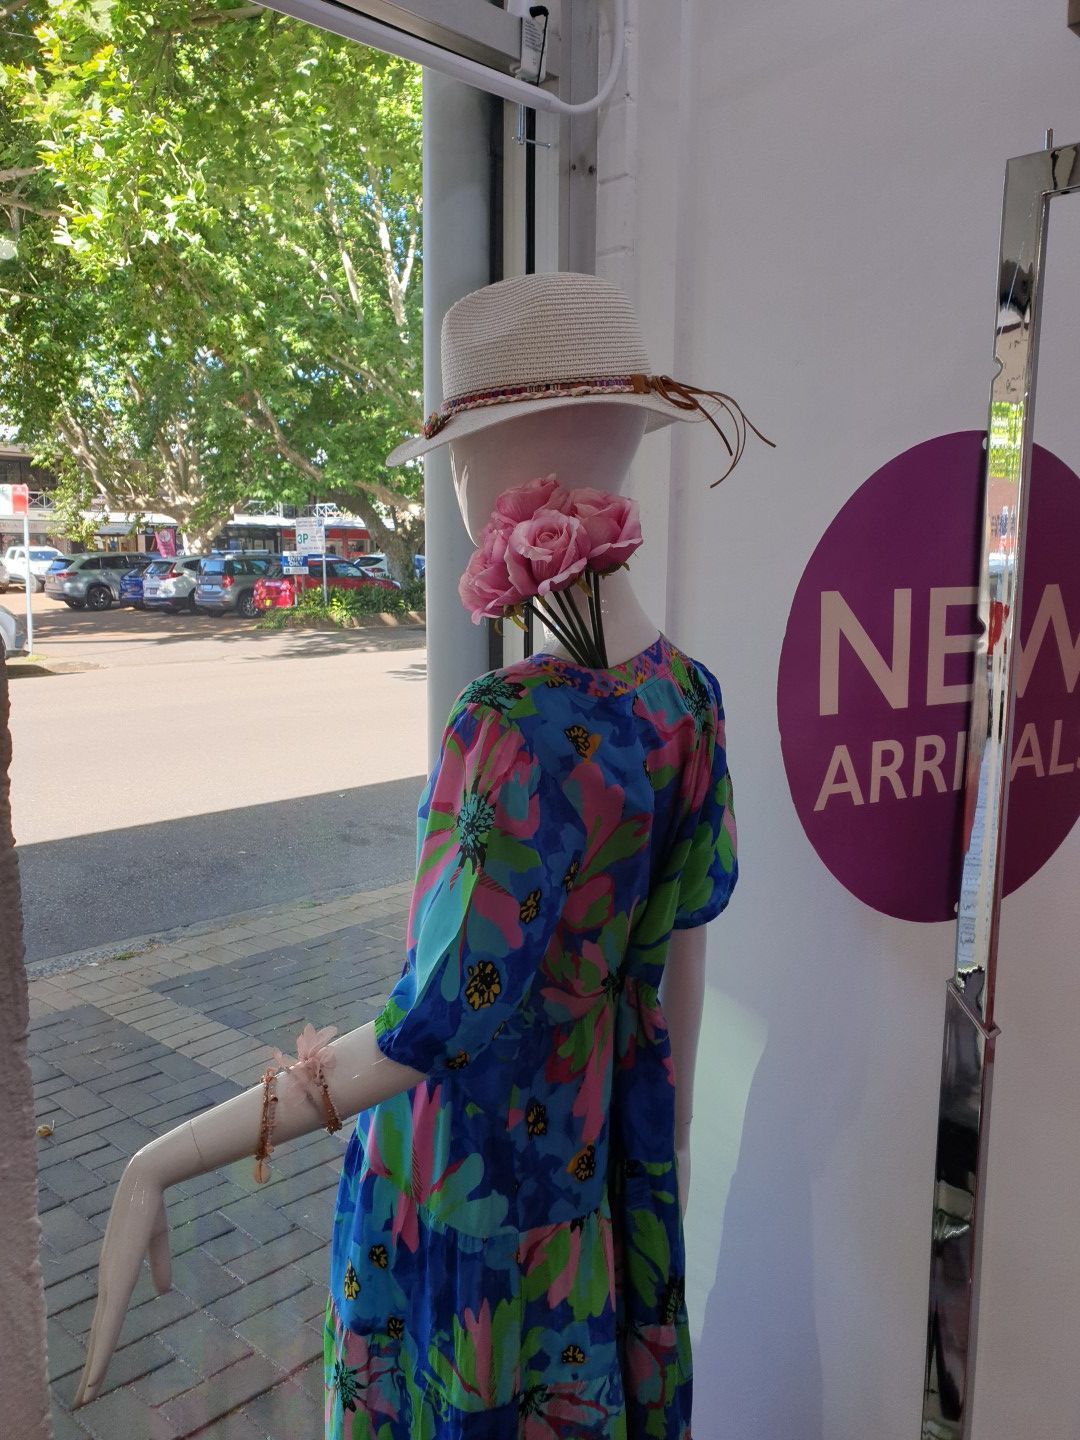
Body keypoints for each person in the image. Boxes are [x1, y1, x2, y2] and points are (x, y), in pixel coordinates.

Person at [76, 273, 764, 1438]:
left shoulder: (510, 722)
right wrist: (667, 1159)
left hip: (473, 1202)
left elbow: (428, 1029)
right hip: (595, 1176)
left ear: (494, 473)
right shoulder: (686, 697)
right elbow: (675, 962)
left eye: (454, 461)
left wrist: (161, 1159)